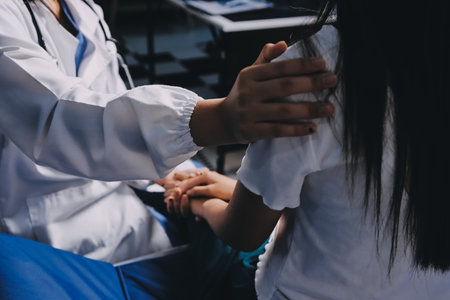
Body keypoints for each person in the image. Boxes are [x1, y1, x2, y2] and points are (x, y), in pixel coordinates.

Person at [0, 0, 336, 264]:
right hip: (57, 226)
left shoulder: (81, 9)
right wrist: (218, 119)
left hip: (133, 193)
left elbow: (112, 106)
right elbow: (58, 117)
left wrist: (188, 179)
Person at [169, 0, 450, 299]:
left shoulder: (313, 68)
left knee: (186, 206)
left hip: (300, 291)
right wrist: (237, 188)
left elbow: (243, 233)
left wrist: (198, 205)